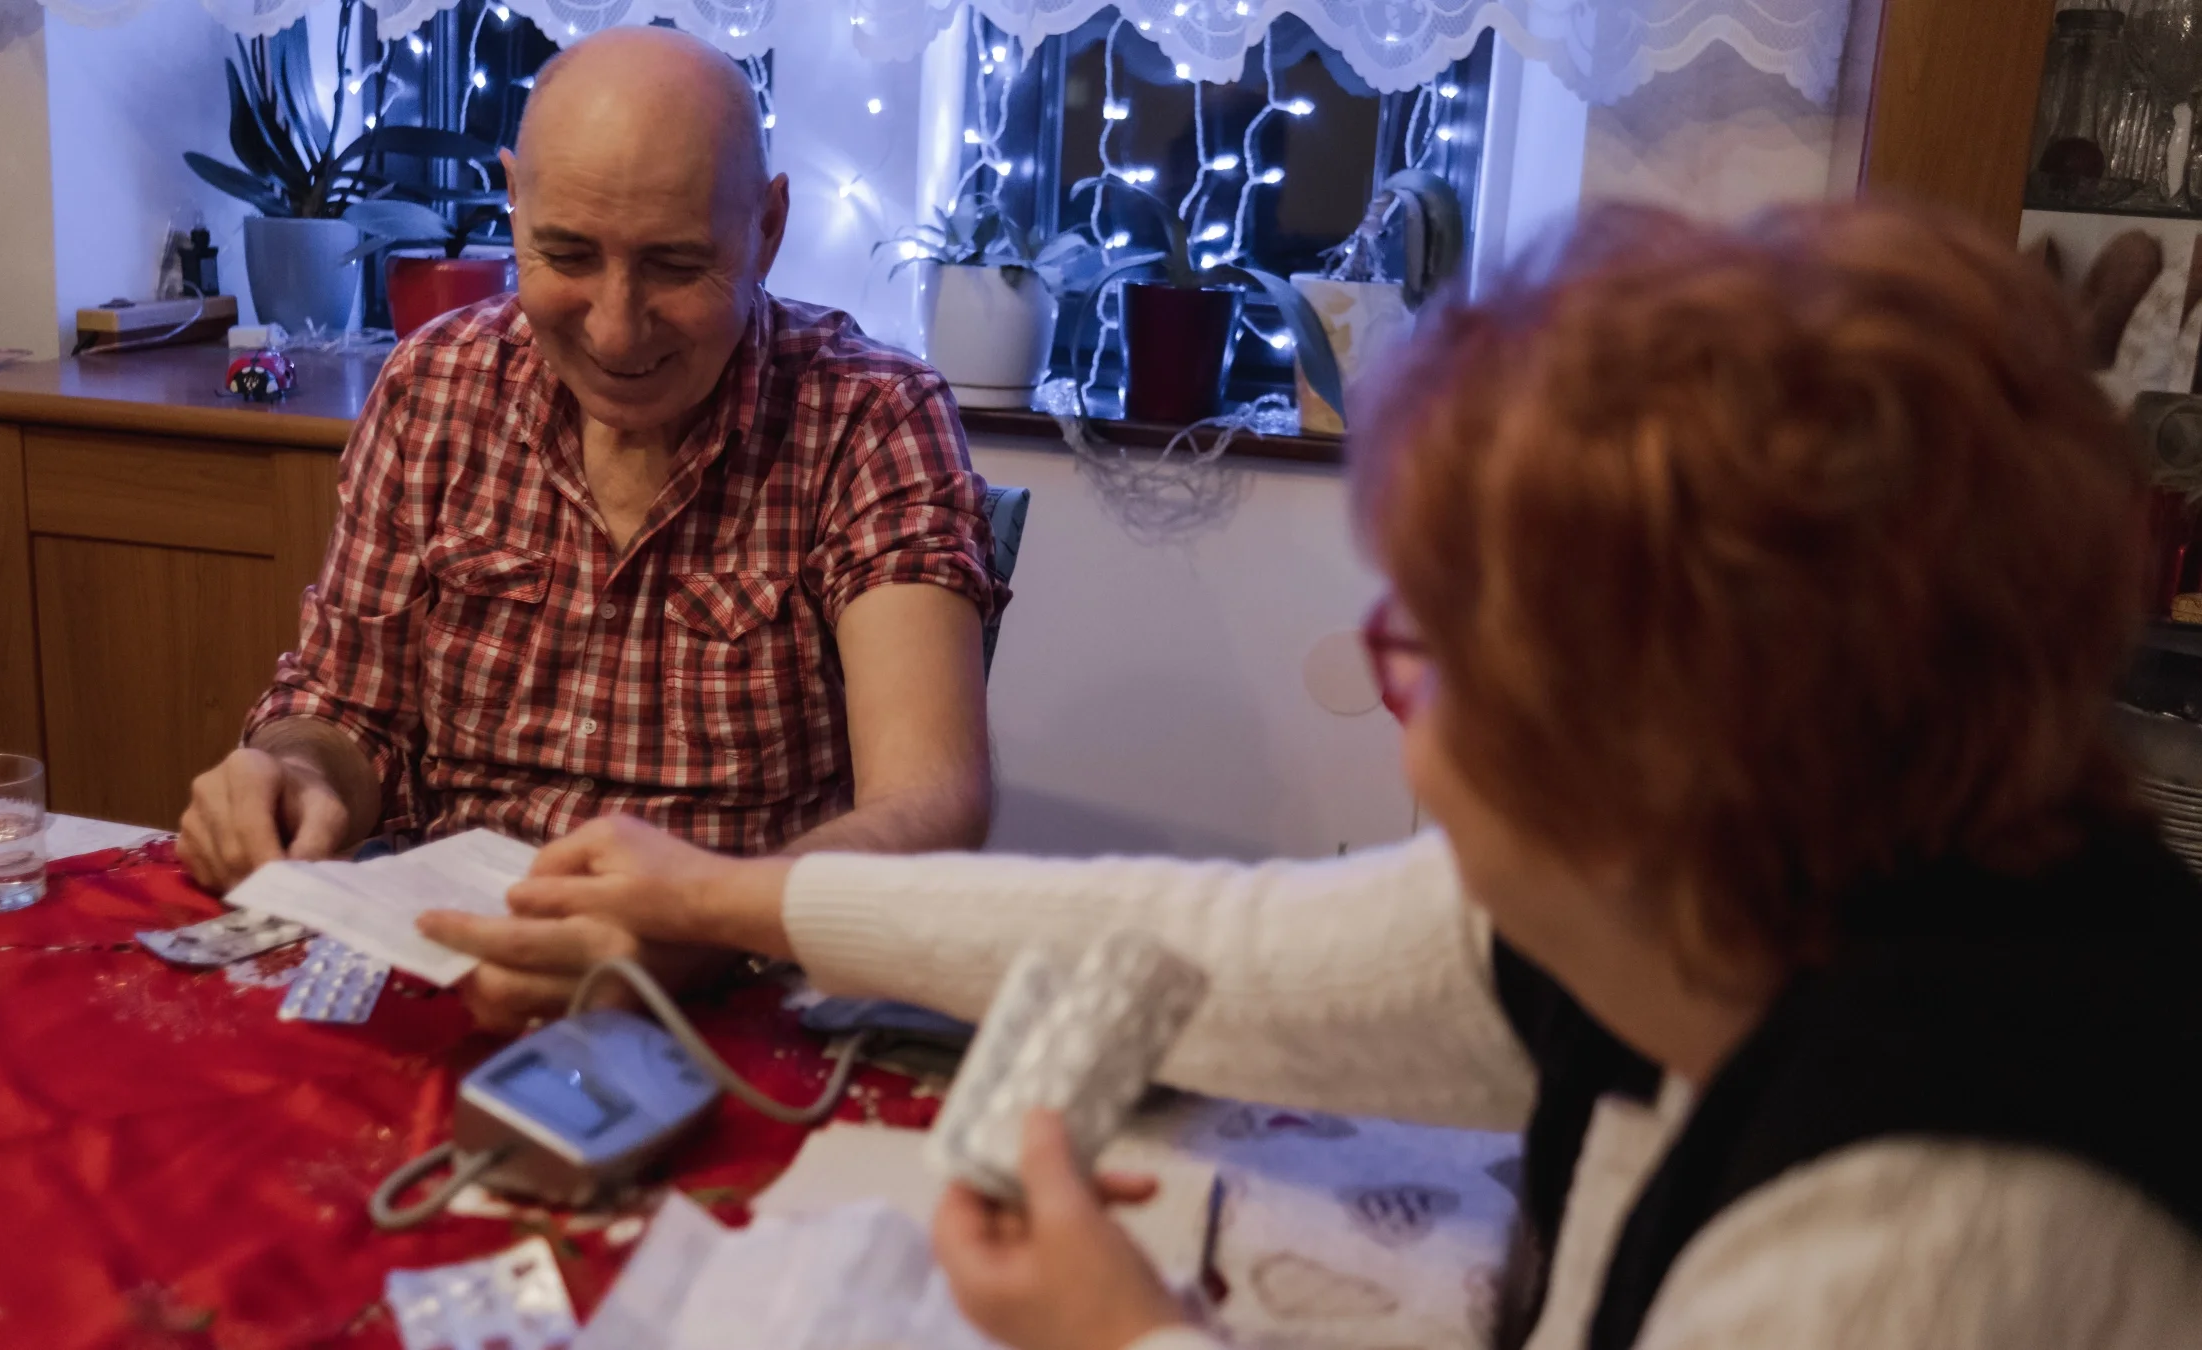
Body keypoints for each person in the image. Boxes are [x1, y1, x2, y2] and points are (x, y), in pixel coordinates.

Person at [423, 201, 2202, 1349]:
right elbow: (1207, 949)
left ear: (1655, 740)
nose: (1375, 685)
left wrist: (1133, 1338)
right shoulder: (1761, 872)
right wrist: (727, 893)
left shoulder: (1929, 1233)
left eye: (1420, 646)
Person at [178, 31, 1002, 925]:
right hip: (449, 941)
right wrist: (295, 774)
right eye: (567, 256)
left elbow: (929, 804)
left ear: (767, 229)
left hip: (733, 963)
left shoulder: (869, 416)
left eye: (676, 265)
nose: (615, 332)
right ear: (514, 204)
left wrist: (705, 916)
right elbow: (347, 711)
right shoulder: (432, 386)